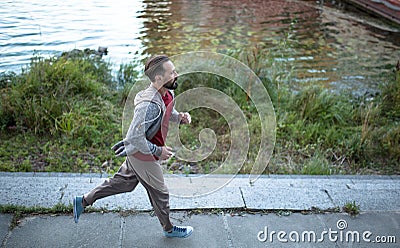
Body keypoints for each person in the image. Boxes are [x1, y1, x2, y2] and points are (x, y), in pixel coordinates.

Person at [73, 55, 193, 238]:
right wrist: (158, 151)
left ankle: (82, 201)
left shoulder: (168, 93)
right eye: (172, 73)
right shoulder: (148, 105)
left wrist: (179, 117)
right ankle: (169, 229)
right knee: (161, 193)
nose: (177, 74)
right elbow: (134, 137)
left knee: (124, 183)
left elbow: (169, 110)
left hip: (143, 152)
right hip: (142, 154)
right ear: (159, 78)